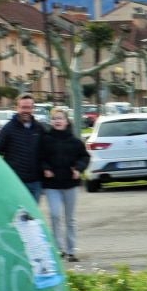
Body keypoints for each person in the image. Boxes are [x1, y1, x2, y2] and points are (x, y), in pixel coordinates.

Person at [39, 107, 90, 262]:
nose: (57, 121)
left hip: (70, 184)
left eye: (60, 118)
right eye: (54, 119)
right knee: (55, 215)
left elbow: (85, 157)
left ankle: (71, 250)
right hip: (51, 185)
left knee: (69, 219)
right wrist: (45, 168)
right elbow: (39, 158)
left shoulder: (75, 141)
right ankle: (58, 249)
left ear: (67, 121)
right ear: (51, 122)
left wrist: (79, 169)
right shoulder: (45, 139)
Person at [0, 95, 47, 198]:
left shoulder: (39, 128)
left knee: (32, 213)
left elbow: (46, 152)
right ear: (17, 108)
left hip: (35, 182)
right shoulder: (8, 129)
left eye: (29, 107)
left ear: (33, 108)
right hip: (16, 182)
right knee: (19, 213)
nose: (26, 111)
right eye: (23, 107)